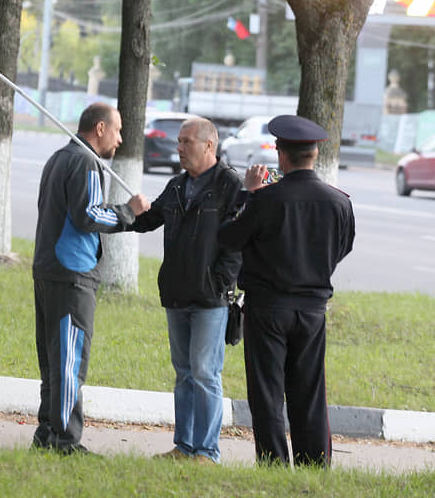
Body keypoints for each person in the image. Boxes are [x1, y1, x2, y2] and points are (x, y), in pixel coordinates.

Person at [217, 114, 356, 467]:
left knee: (267, 391)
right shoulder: (340, 202)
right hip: (312, 309)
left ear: (281, 155)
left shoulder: (265, 200)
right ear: (315, 155)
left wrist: (246, 196)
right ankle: (314, 463)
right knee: (309, 390)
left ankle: (274, 463)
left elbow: (229, 239)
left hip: (267, 308)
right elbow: (343, 248)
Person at [32, 102, 150, 454]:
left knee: (54, 361)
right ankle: (64, 442)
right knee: (68, 361)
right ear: (99, 128)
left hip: (50, 270)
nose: (120, 138)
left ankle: (47, 434)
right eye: (117, 130)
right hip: (72, 274)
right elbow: (88, 215)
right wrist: (130, 212)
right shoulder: (85, 161)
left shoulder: (58, 157)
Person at [130, 117, 243, 464]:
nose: (178, 148)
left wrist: (218, 282)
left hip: (210, 298)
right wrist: (136, 211)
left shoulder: (229, 185)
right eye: (179, 141)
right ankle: (184, 446)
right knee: (183, 374)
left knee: (205, 373)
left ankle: (207, 451)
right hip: (176, 294)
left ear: (209, 145)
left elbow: (238, 243)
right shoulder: (177, 185)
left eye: (186, 142)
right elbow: (150, 219)